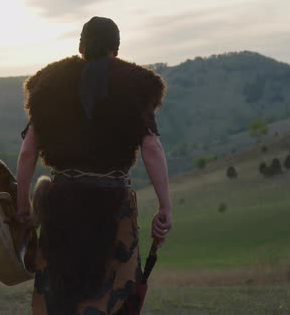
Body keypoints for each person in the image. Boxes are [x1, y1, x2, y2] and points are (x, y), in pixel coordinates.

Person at [16, 16, 173, 314]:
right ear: (116, 48)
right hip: (113, 207)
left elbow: (27, 153)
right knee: (115, 299)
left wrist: (23, 206)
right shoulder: (134, 83)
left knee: (57, 299)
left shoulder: (50, 83)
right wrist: (165, 209)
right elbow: (151, 147)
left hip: (60, 205)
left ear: (80, 46)